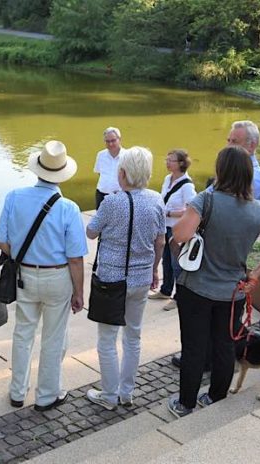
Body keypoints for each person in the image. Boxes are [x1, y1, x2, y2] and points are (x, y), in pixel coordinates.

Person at [166, 145, 260, 418]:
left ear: (220, 171)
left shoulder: (206, 200)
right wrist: (257, 272)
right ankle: (215, 396)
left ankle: (185, 403)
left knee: (194, 345)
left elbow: (179, 235)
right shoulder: (259, 209)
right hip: (233, 291)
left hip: (196, 287)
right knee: (225, 344)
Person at [0, 140, 88, 411]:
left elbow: (0, 240)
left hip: (24, 274)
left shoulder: (14, 196)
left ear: (38, 169)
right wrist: (79, 292)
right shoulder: (68, 207)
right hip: (57, 277)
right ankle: (47, 395)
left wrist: (22, 256)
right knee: (53, 337)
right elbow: (75, 257)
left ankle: (17, 391)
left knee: (23, 333)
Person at [85, 147, 166, 410]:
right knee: (133, 336)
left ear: (122, 173)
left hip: (111, 279)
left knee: (107, 339)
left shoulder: (112, 202)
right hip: (141, 278)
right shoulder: (156, 200)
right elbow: (160, 240)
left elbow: (91, 232)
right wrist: (155, 269)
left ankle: (109, 395)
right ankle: (127, 392)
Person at [149, 149, 196, 311]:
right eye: (167, 160)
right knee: (166, 261)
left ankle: (180, 297)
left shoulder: (187, 185)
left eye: (171, 160)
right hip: (165, 226)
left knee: (177, 264)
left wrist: (169, 213)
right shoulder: (167, 179)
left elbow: (191, 209)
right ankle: (165, 290)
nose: (167, 163)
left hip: (177, 229)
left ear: (181, 163)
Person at [226, 120, 260, 201]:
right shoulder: (233, 167)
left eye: (234, 141)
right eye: (228, 141)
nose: (228, 146)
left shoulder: (252, 176)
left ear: (252, 145)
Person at [94, 127, 124, 209]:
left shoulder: (127, 156)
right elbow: (99, 173)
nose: (110, 144)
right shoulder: (100, 155)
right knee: (100, 220)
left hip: (120, 195)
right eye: (107, 141)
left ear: (119, 139)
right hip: (101, 194)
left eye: (113, 140)